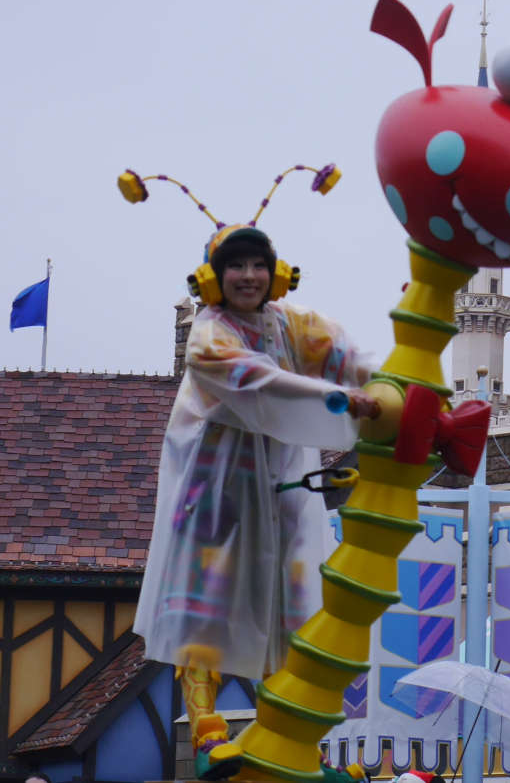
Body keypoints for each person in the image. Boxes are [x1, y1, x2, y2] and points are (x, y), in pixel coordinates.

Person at [133, 225, 375, 780]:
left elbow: (346, 354)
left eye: (257, 265)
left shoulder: (292, 323)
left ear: (276, 272)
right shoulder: (209, 334)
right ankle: (206, 732)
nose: (248, 276)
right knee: (206, 609)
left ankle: (298, 741)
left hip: (282, 491)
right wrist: (344, 399)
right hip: (216, 492)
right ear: (214, 278)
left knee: (291, 612)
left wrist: (394, 387)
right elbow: (260, 382)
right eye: (235, 266)